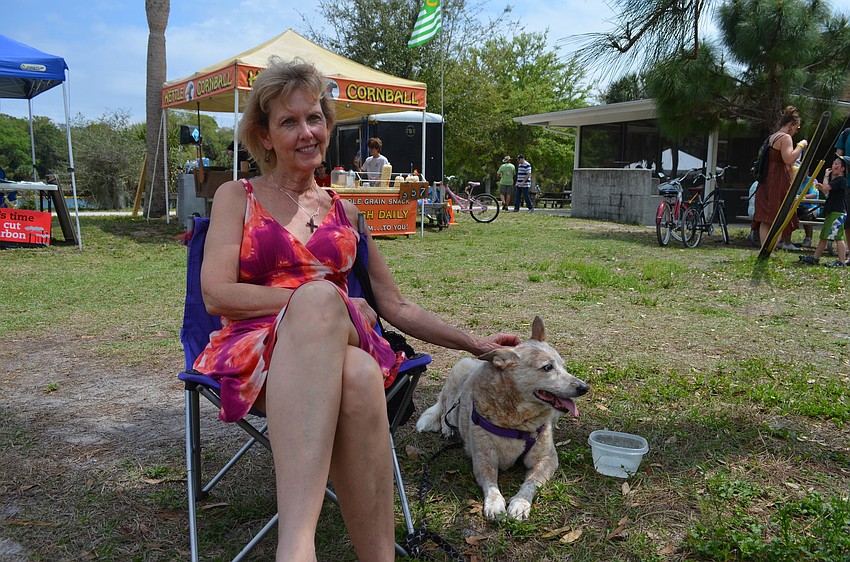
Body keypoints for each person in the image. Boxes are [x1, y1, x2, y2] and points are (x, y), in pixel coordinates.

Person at [194, 57, 521, 561]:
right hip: (257, 351)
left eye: (315, 118)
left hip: (346, 335)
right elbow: (217, 294)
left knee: (330, 314)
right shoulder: (236, 196)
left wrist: (478, 345)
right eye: (289, 121)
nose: (307, 132)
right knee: (355, 368)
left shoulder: (347, 211)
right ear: (263, 136)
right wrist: (333, 302)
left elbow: (395, 305)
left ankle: (296, 549)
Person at [753, 106, 808, 251]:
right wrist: (801, 146)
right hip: (778, 180)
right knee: (780, 216)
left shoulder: (773, 136)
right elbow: (788, 159)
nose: (796, 131)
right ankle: (770, 249)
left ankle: (765, 249)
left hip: (766, 179)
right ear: (790, 125)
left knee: (766, 218)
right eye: (797, 127)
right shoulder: (785, 137)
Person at [799, 156, 848, 267]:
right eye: (833, 163)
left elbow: (826, 187)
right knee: (824, 236)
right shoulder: (836, 181)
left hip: (837, 213)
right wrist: (822, 187)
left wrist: (826, 175)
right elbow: (826, 191)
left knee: (838, 237)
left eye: (836, 164)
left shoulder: (840, 180)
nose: (833, 166)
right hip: (832, 212)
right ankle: (815, 258)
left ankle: (841, 261)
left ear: (842, 169)